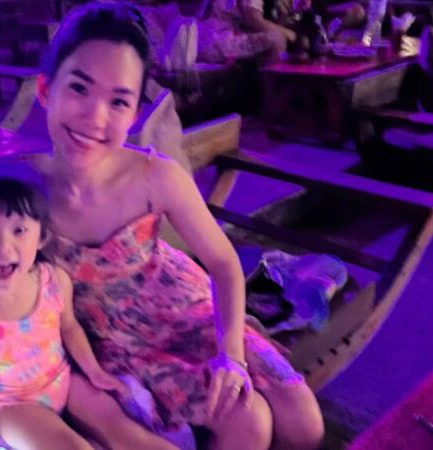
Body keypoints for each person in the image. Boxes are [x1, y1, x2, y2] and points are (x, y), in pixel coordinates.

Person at [27, 3, 325, 449]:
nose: (95, 116)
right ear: (45, 89)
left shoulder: (155, 175)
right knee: (249, 422)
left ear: (134, 114)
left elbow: (223, 262)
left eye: (118, 101)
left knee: (305, 424)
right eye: (79, 88)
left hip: (187, 306)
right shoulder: (24, 190)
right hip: (116, 339)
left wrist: (232, 356)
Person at [0, 165, 177, 450]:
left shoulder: (53, 281)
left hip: (64, 382)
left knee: (128, 434)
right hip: (12, 407)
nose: (2, 246)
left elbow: (69, 327)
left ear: (41, 237)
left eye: (19, 230)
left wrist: (94, 372)